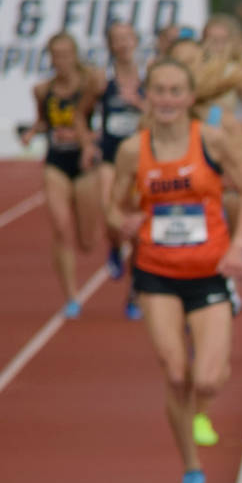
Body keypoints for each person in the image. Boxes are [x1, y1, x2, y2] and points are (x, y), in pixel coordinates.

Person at [103, 57, 242, 483]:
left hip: (210, 271)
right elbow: (114, 205)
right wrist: (123, 222)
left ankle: (206, 383)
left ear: (190, 98)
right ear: (147, 96)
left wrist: (237, 244)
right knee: (175, 374)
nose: (168, 99)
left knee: (207, 380)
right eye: (160, 91)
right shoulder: (134, 150)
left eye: (176, 91)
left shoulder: (210, 139)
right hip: (156, 273)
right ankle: (191, 467)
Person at [21, 33, 104, 318]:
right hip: (56, 162)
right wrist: (33, 132)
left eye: (67, 53)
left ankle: (90, 250)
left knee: (87, 240)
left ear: (75, 55)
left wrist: (89, 138)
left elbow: (104, 120)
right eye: (56, 54)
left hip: (84, 165)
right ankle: (71, 296)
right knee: (59, 227)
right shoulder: (43, 90)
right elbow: (43, 120)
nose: (62, 60)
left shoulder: (90, 85)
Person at [89, 21, 147, 320]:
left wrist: (138, 102)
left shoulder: (149, 77)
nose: (123, 44)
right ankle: (113, 246)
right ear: (110, 45)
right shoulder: (102, 80)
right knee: (109, 213)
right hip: (111, 158)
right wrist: (88, 143)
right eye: (116, 39)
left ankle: (135, 291)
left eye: (127, 37)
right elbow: (83, 112)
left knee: (137, 231)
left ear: (135, 40)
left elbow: (161, 113)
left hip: (139, 162)